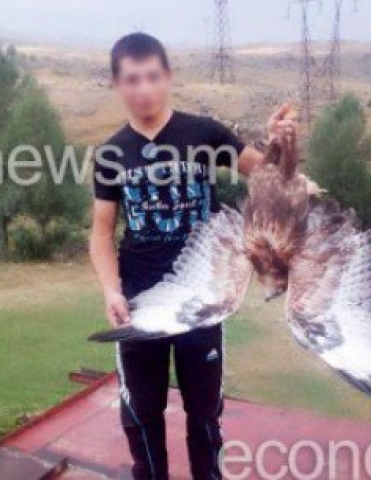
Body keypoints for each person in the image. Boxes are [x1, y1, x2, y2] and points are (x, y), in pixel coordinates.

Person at [89, 32, 298, 479]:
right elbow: (102, 232)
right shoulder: (111, 153)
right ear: (117, 84)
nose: (144, 89)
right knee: (141, 413)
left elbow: (268, 177)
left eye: (152, 76)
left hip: (203, 297)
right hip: (141, 303)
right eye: (132, 79)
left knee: (204, 413)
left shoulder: (204, 133)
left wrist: (279, 144)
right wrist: (110, 290)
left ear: (168, 77)